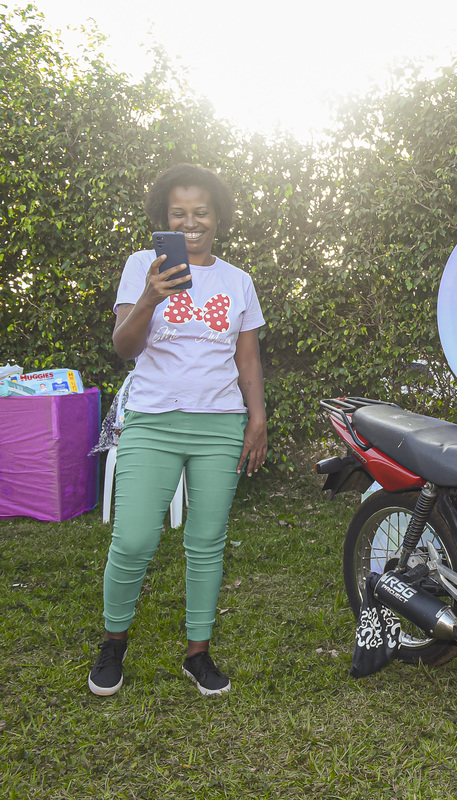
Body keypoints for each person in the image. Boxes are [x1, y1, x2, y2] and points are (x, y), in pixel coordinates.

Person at [88, 164, 267, 698]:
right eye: (179, 213)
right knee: (133, 539)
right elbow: (124, 347)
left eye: (201, 212)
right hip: (153, 419)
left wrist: (257, 420)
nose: (191, 223)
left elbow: (248, 360)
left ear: (218, 217)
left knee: (206, 542)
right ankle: (113, 643)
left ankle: (197, 653)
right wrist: (150, 296)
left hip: (220, 424)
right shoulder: (141, 266)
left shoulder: (238, 281)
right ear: (164, 219)